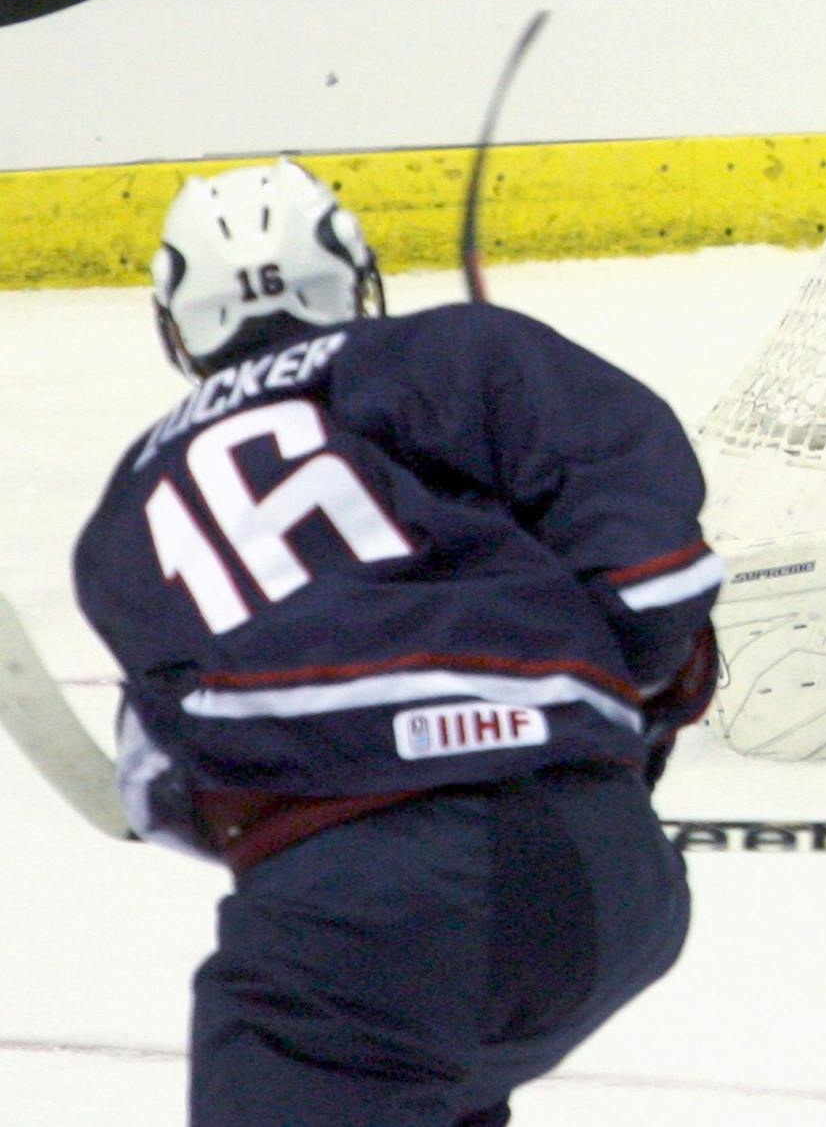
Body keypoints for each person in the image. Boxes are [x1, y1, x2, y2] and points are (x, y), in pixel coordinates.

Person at [72, 159, 724, 1127]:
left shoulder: (132, 503)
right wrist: (585, 734)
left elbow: (160, 785)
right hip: (607, 879)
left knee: (373, 1047)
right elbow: (654, 584)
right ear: (353, 275)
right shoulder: (464, 350)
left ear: (179, 319)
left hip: (363, 917)